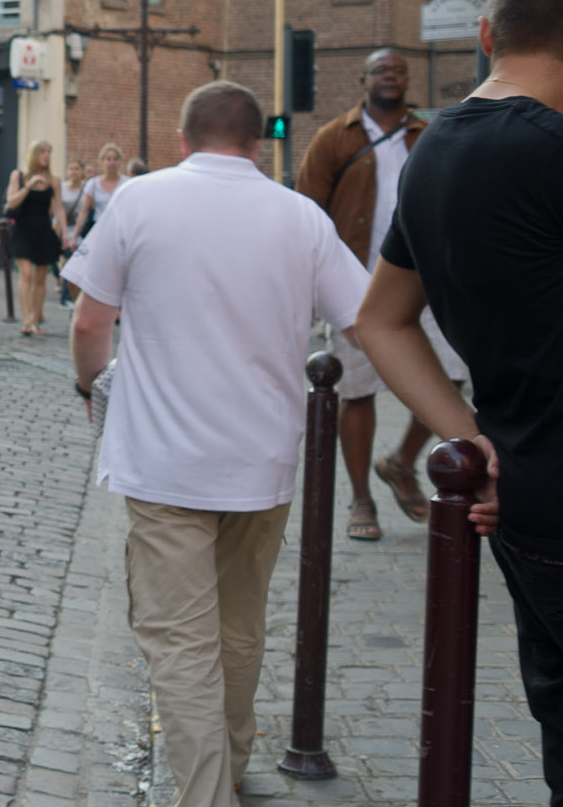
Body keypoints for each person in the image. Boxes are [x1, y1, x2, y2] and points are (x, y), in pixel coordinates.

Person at [64, 80, 369, 807]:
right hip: (263, 463)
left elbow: (87, 323)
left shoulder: (140, 200)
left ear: (181, 139)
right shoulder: (301, 218)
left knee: (180, 639)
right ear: (257, 143)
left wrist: (89, 387)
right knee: (238, 626)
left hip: (165, 465)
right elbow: (367, 317)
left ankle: (206, 796)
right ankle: (228, 764)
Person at [357, 0, 559, 794]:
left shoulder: (434, 147)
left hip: (522, 496)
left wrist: (469, 436)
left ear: (484, 36)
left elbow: (381, 319)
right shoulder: (550, 148)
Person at [295, 47, 468, 542]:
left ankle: (400, 461)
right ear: (363, 78)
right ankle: (361, 500)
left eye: (399, 70)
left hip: (428, 280)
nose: (391, 76)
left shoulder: (430, 134)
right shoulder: (334, 138)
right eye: (381, 70)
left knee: (450, 378)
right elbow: (307, 212)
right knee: (357, 390)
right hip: (357, 285)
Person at [4, 140, 65, 336]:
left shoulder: (54, 180)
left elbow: (58, 208)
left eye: (49, 151)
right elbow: (11, 202)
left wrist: (64, 233)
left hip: (43, 231)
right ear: (33, 154)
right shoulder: (19, 175)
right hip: (23, 230)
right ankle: (27, 319)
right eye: (42, 152)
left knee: (40, 277)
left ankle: (36, 318)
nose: (46, 155)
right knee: (26, 274)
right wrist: (28, 186)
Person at [71, 142, 125, 250]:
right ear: (102, 161)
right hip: (99, 229)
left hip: (121, 230)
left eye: (115, 159)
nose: (112, 163)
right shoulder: (93, 184)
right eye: (108, 159)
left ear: (120, 161)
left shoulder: (127, 183)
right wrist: (75, 236)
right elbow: (84, 211)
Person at [57, 158, 88, 307]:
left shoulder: (87, 188)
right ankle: (67, 297)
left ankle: (71, 297)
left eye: (76, 169)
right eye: (71, 169)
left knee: (72, 264)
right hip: (64, 231)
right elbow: (57, 210)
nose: (74, 172)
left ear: (82, 171)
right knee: (68, 263)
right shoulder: (62, 188)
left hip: (81, 233)